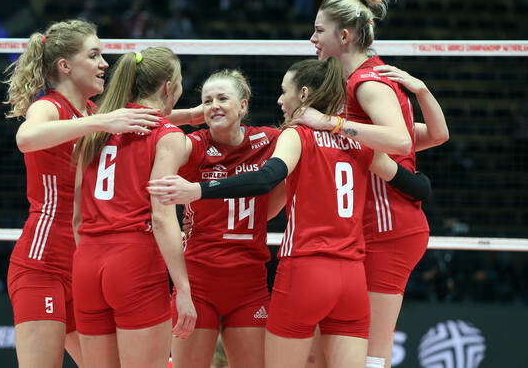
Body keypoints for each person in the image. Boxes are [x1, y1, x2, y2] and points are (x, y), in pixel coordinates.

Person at [148, 58, 431, 368]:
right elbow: (417, 180)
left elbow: (267, 178)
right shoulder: (357, 139)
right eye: (207, 101)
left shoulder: (287, 137)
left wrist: (199, 191)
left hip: (296, 271)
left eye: (285, 92)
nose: (280, 99)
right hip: (349, 273)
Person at [3, 19, 164, 368]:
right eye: (94, 55)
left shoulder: (92, 113)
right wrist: (101, 122)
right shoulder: (50, 106)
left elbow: (136, 120)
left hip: (84, 266)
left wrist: (196, 115)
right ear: (65, 66)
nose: (104, 63)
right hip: (42, 265)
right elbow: (25, 138)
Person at [307, 0, 449, 368]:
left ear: (345, 35)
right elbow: (435, 136)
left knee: (371, 353)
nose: (312, 38)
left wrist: (331, 124)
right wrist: (421, 92)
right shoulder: (363, 78)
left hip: (389, 227)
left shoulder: (367, 82)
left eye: (319, 30)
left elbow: (399, 140)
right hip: (368, 226)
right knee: (332, 348)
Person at [71, 47, 197, 368]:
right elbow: (161, 215)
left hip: (86, 262)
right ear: (168, 87)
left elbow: (75, 217)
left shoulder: (96, 127)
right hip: (134, 262)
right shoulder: (167, 135)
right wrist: (182, 288)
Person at [170, 69, 283, 368]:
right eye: (207, 101)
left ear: (243, 105)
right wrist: (191, 115)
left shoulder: (269, 141)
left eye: (222, 98)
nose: (213, 106)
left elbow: (308, 144)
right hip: (199, 282)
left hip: (249, 283)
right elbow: (151, 125)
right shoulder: (192, 145)